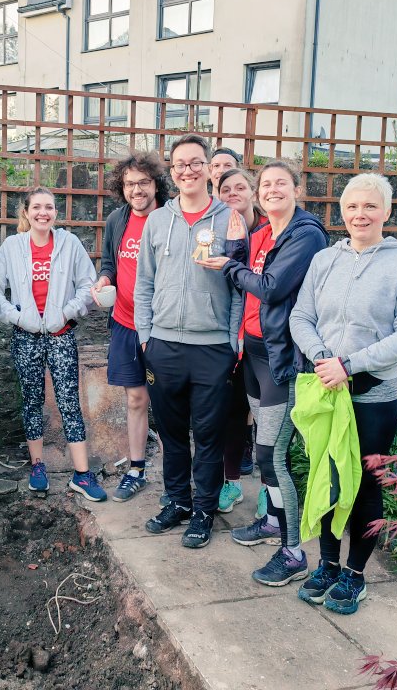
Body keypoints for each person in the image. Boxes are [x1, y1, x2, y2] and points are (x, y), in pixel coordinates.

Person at [289, 172, 397, 614]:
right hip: (328, 390)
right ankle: (328, 564)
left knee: (365, 484)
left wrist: (350, 364)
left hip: (372, 396)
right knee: (329, 478)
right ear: (342, 212)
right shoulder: (325, 260)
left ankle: (355, 574)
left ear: (387, 211)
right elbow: (300, 317)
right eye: (352, 206)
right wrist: (323, 358)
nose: (360, 214)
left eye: (370, 206)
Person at [198, 160, 328, 585]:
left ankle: (293, 553)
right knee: (265, 451)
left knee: (272, 457)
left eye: (281, 183)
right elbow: (247, 276)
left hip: (281, 358)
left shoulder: (305, 234)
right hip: (254, 352)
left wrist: (229, 265)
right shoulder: (264, 233)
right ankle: (272, 521)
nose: (272, 189)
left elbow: (270, 287)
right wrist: (234, 250)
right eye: (266, 184)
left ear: (297, 189)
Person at [134, 133, 242, 549]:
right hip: (163, 346)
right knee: (172, 434)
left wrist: (232, 342)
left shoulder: (230, 219)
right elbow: (144, 282)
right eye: (180, 164)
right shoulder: (158, 220)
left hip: (213, 348)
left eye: (196, 162)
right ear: (172, 171)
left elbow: (240, 287)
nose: (188, 170)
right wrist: (146, 336)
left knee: (209, 436)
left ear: (209, 168)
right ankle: (178, 502)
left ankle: (204, 511)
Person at [0, 187, 107, 501]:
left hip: (60, 335)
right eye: (37, 207)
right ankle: (38, 466)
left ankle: (82, 474)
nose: (43, 213)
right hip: (26, 336)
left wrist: (66, 313)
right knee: (32, 401)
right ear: (26, 212)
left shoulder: (69, 244)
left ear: (56, 212)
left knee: (69, 401)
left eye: (49, 208)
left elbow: (87, 285)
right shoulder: (12, 246)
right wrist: (17, 317)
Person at [91, 152, 171, 502]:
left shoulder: (170, 218)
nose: (136, 190)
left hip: (164, 328)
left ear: (156, 184)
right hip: (125, 323)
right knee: (136, 399)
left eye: (143, 183)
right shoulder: (117, 219)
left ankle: (175, 479)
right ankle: (136, 470)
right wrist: (103, 280)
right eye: (129, 184)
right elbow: (110, 262)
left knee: (169, 404)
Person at [214, 168, 267, 512]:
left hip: (263, 337)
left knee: (265, 418)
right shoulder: (216, 230)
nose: (233, 193)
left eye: (240, 187)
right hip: (230, 335)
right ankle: (231, 483)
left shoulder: (268, 230)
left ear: (252, 192)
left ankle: (268, 487)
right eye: (226, 189)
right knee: (232, 413)